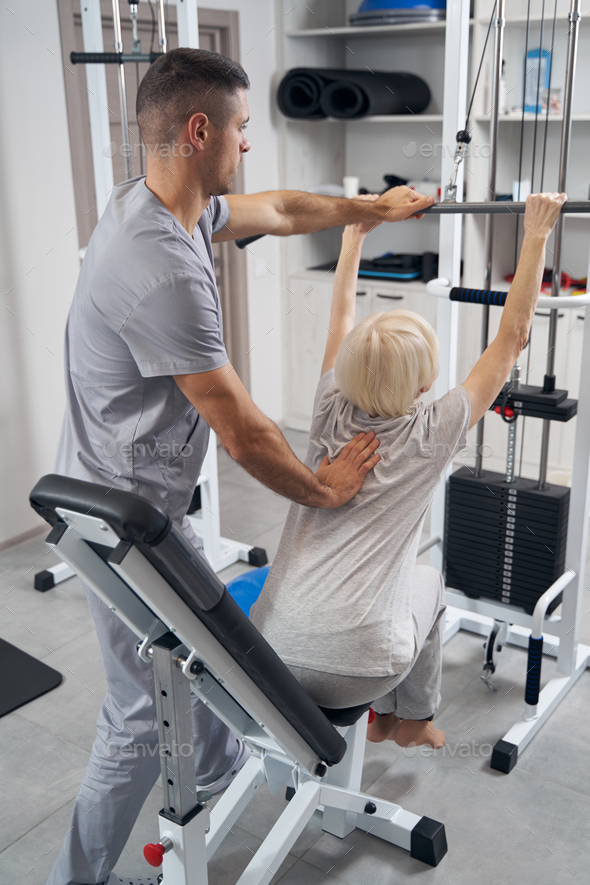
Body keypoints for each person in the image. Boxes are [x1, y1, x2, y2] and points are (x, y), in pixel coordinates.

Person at [48, 47, 435, 885]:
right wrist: (324, 484)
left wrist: (366, 208)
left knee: (214, 657)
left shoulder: (162, 207)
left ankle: (213, 801)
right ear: (201, 131)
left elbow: (283, 209)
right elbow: (244, 431)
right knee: (137, 719)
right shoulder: (160, 269)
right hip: (123, 518)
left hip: (142, 496)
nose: (248, 144)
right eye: (243, 128)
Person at [250, 190, 567, 751]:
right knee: (429, 582)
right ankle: (412, 721)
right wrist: (537, 234)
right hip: (360, 667)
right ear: (423, 385)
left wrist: (353, 238)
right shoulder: (433, 429)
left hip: (267, 654)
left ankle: (396, 719)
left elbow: (339, 317)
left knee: (399, 588)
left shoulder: (328, 403)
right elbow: (511, 339)